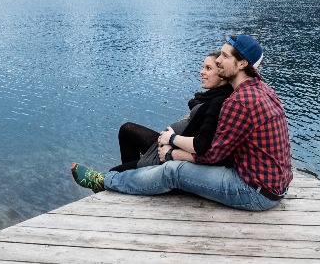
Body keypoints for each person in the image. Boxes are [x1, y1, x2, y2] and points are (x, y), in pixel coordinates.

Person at [71, 34, 293, 212]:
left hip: (253, 192)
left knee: (173, 172)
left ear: (242, 63)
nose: (218, 60)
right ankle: (120, 183)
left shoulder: (239, 101)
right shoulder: (261, 88)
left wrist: (171, 152)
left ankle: (105, 182)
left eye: (224, 56)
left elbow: (211, 154)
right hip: (272, 185)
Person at [111, 52, 232, 171]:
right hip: (168, 145)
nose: (202, 72)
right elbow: (196, 105)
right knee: (127, 130)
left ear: (222, 75)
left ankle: (135, 176)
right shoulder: (211, 98)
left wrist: (172, 142)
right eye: (203, 67)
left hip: (172, 153)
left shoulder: (217, 103)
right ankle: (134, 178)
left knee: (115, 173)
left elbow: (202, 144)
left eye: (208, 68)